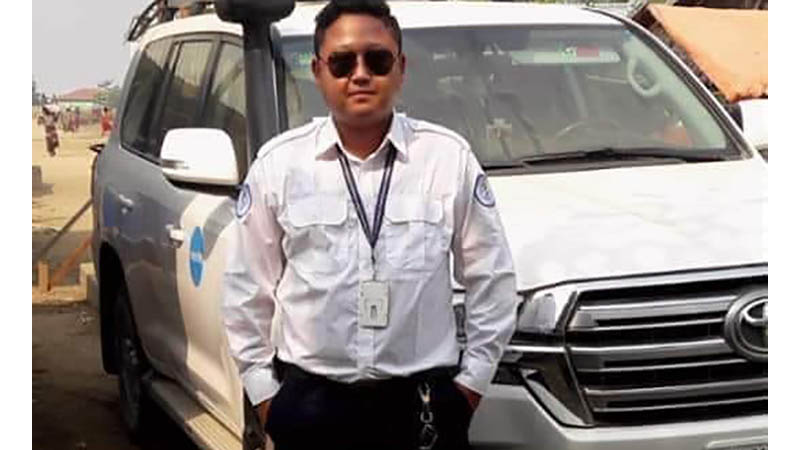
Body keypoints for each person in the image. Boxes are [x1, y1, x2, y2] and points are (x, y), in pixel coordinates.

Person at [222, 1, 518, 449]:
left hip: (422, 408)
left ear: (401, 68)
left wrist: (470, 387)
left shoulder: (447, 159)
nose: (359, 74)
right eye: (342, 62)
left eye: (377, 60)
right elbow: (246, 290)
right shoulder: (279, 165)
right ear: (318, 71)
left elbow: (491, 280)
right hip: (311, 406)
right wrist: (268, 400)